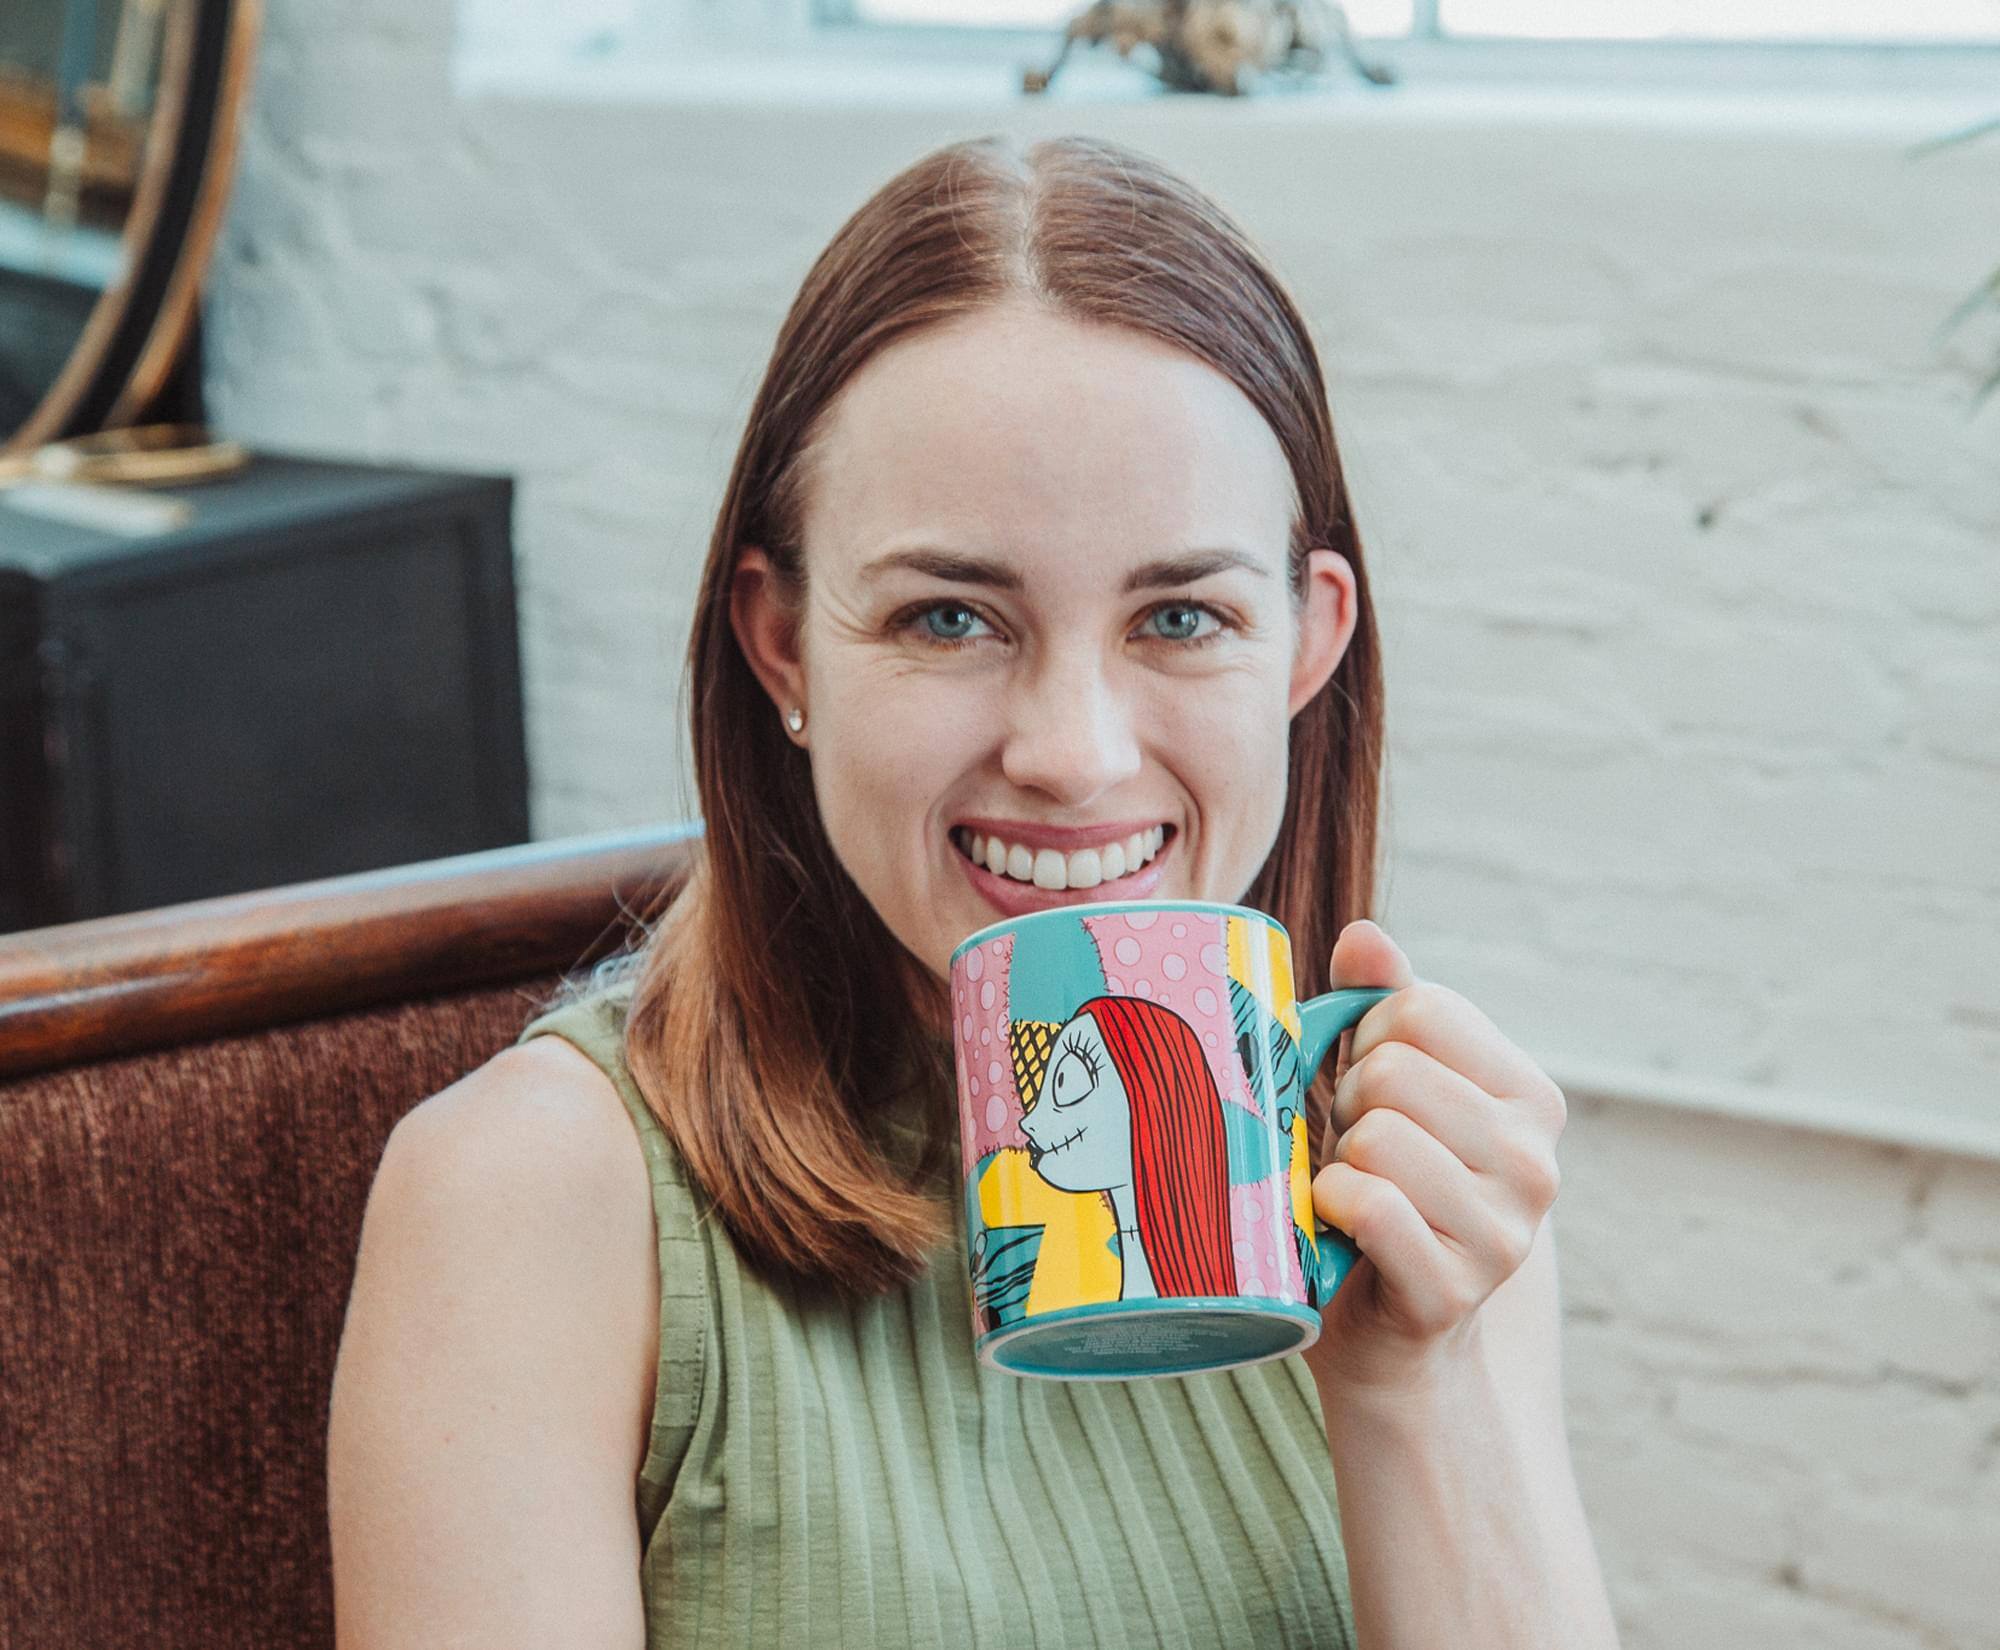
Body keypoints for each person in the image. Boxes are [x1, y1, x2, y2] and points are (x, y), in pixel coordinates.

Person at [326, 132, 1621, 1649]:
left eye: (1183, 615)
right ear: (785, 644)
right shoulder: (530, 1203)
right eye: (950, 615)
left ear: (1306, 645)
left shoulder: (1410, 1162)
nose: (1071, 753)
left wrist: (1419, 1381)